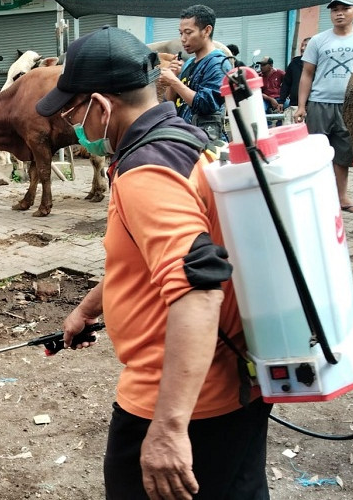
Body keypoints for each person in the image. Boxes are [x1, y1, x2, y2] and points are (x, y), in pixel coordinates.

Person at [36, 25, 270, 500]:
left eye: (72, 111)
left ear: (99, 106)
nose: (71, 125)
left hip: (181, 404)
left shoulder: (146, 173)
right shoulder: (184, 141)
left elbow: (198, 289)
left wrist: (167, 429)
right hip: (236, 391)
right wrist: (90, 308)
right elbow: (159, 258)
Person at [295, 0, 353, 213]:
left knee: (343, 153)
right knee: (315, 151)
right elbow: (307, 73)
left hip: (349, 106)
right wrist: (301, 106)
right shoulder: (318, 40)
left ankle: (341, 197)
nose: (339, 14)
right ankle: (315, 195)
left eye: (345, 9)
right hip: (319, 103)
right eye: (335, 10)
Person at [159, 4, 232, 141]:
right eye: (181, 33)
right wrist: (172, 79)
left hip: (206, 144)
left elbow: (206, 105)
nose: (183, 39)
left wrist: (174, 81)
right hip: (184, 140)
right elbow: (169, 104)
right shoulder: (188, 64)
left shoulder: (218, 64)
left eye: (188, 32)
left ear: (207, 31)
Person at [279, 37, 311, 124]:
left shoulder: (318, 64)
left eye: (306, 45)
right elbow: (286, 83)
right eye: (302, 45)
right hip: (294, 105)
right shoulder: (294, 63)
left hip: (312, 106)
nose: (303, 48)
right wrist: (281, 101)